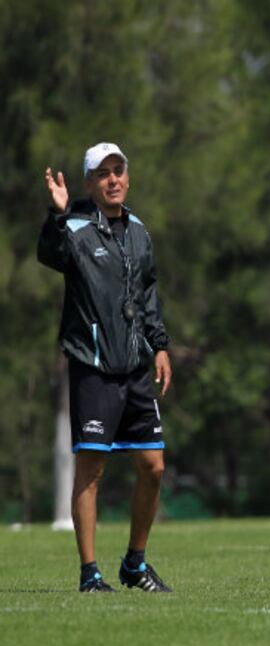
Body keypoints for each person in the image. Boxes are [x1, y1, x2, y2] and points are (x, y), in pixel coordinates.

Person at [39, 142, 173, 593]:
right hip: (93, 366)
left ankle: (135, 564)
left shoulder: (139, 231)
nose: (113, 179)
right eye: (103, 174)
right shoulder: (74, 229)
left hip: (135, 367)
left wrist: (159, 344)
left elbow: (147, 293)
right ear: (90, 183)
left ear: (127, 178)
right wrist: (58, 214)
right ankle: (89, 574)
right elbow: (49, 254)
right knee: (91, 470)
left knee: (153, 466)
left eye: (119, 171)